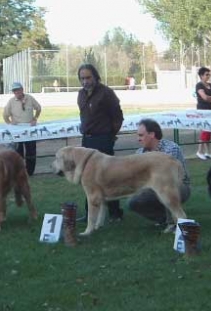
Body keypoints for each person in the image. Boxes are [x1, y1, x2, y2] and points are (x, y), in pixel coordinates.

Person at [77, 63, 124, 222]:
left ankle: (115, 213)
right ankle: (90, 213)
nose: (85, 81)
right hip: (87, 141)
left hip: (103, 140)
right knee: (87, 178)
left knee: (108, 177)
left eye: (88, 77)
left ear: (95, 76)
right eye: (82, 78)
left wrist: (110, 135)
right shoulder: (81, 95)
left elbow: (118, 117)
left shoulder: (107, 93)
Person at [128, 119, 190, 227]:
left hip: (179, 185)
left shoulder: (171, 149)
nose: (138, 139)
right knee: (134, 201)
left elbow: (168, 178)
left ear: (152, 134)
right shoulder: (139, 153)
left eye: (141, 135)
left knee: (164, 188)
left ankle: (175, 223)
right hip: (150, 185)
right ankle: (163, 219)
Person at [3, 82, 42, 176]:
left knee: (31, 152)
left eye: (17, 90)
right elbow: (5, 115)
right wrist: (10, 123)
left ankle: (30, 172)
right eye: (14, 90)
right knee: (18, 152)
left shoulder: (30, 98)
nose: (16, 92)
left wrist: (35, 118)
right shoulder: (11, 101)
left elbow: (38, 108)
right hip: (17, 131)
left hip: (30, 130)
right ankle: (19, 172)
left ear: (22, 89)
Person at [195, 67, 211, 160]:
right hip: (203, 110)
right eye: (206, 74)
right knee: (204, 130)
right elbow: (204, 98)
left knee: (209, 131)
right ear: (201, 76)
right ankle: (200, 151)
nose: (208, 76)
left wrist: (210, 98)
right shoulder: (199, 85)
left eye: (209, 74)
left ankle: (208, 151)